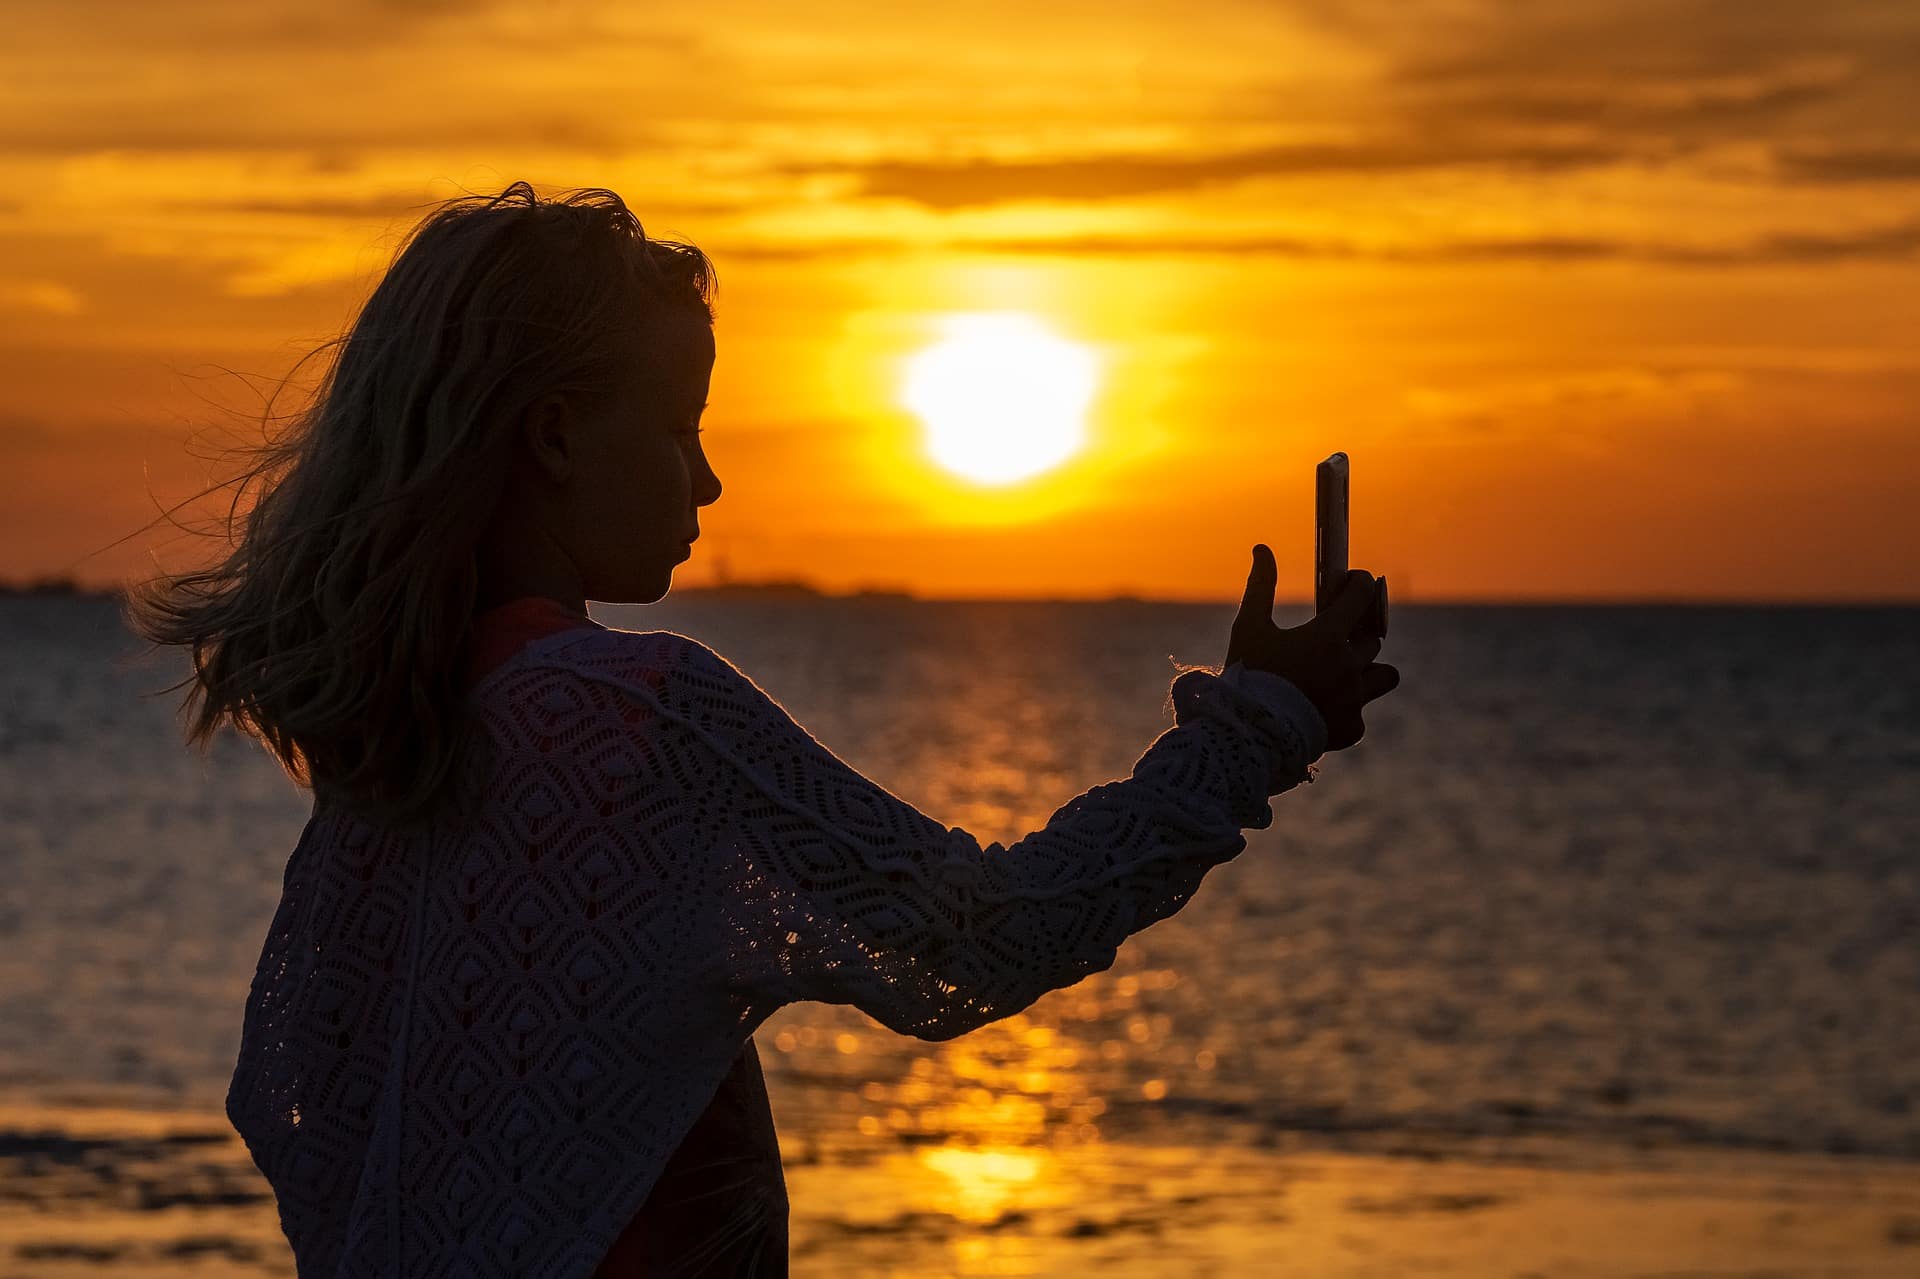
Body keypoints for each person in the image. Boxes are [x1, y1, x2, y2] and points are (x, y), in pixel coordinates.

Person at [125, 182, 1399, 1278]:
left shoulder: (388, 755)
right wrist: (1258, 724)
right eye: (681, 424)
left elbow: (301, 1106)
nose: (710, 478)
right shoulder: (634, 712)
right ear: (557, 435)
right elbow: (983, 941)